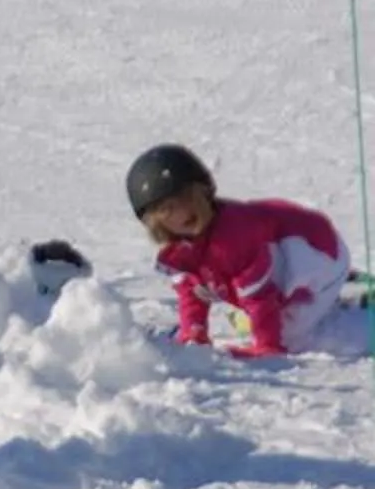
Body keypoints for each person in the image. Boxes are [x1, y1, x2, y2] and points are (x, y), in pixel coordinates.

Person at [128, 143, 349, 358]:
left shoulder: (234, 237)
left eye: (188, 199)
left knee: (288, 335)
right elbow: (192, 292)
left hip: (322, 254)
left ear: (204, 193)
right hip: (281, 252)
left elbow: (260, 296)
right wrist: (194, 334)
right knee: (247, 304)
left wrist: (267, 346)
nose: (183, 213)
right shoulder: (182, 251)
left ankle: (345, 302)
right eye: (167, 210)